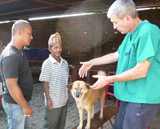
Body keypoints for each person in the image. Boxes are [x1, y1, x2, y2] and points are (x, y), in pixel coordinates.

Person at [78, 0, 160, 129]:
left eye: (115, 22)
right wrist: (91, 62)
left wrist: (108, 79)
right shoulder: (129, 36)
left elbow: (142, 70)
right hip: (130, 96)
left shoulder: (147, 31)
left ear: (127, 18)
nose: (114, 27)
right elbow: (116, 55)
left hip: (142, 98)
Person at [0, 20, 34, 129]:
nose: (31, 37)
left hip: (21, 102)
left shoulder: (19, 50)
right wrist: (25, 106)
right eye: (29, 33)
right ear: (20, 32)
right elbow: (12, 85)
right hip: (16, 104)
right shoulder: (11, 55)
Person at [39, 32, 69, 129]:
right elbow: (45, 82)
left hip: (63, 101)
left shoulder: (65, 63)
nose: (58, 49)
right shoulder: (47, 63)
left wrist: (66, 98)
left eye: (60, 47)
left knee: (61, 125)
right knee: (50, 126)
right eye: (55, 47)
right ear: (49, 49)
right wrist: (48, 99)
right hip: (53, 102)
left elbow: (65, 82)